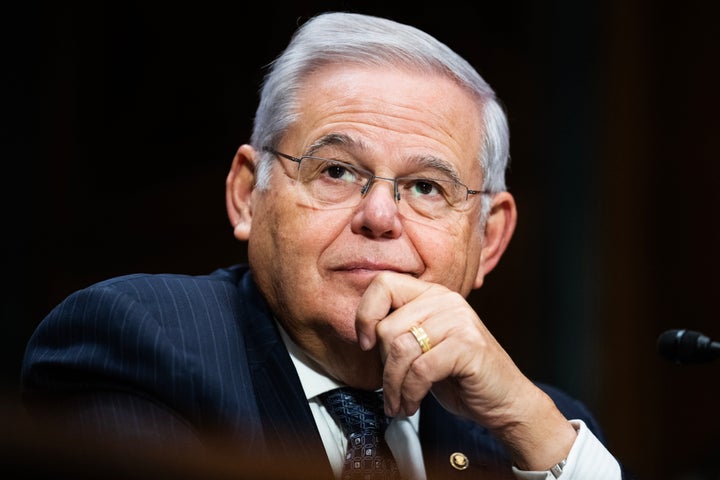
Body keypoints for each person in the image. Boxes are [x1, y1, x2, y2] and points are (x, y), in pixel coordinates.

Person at [21, 11, 631, 480]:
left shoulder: (538, 429)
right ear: (247, 196)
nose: (379, 217)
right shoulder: (139, 345)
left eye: (425, 186)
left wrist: (531, 425)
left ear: (488, 237)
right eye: (336, 171)